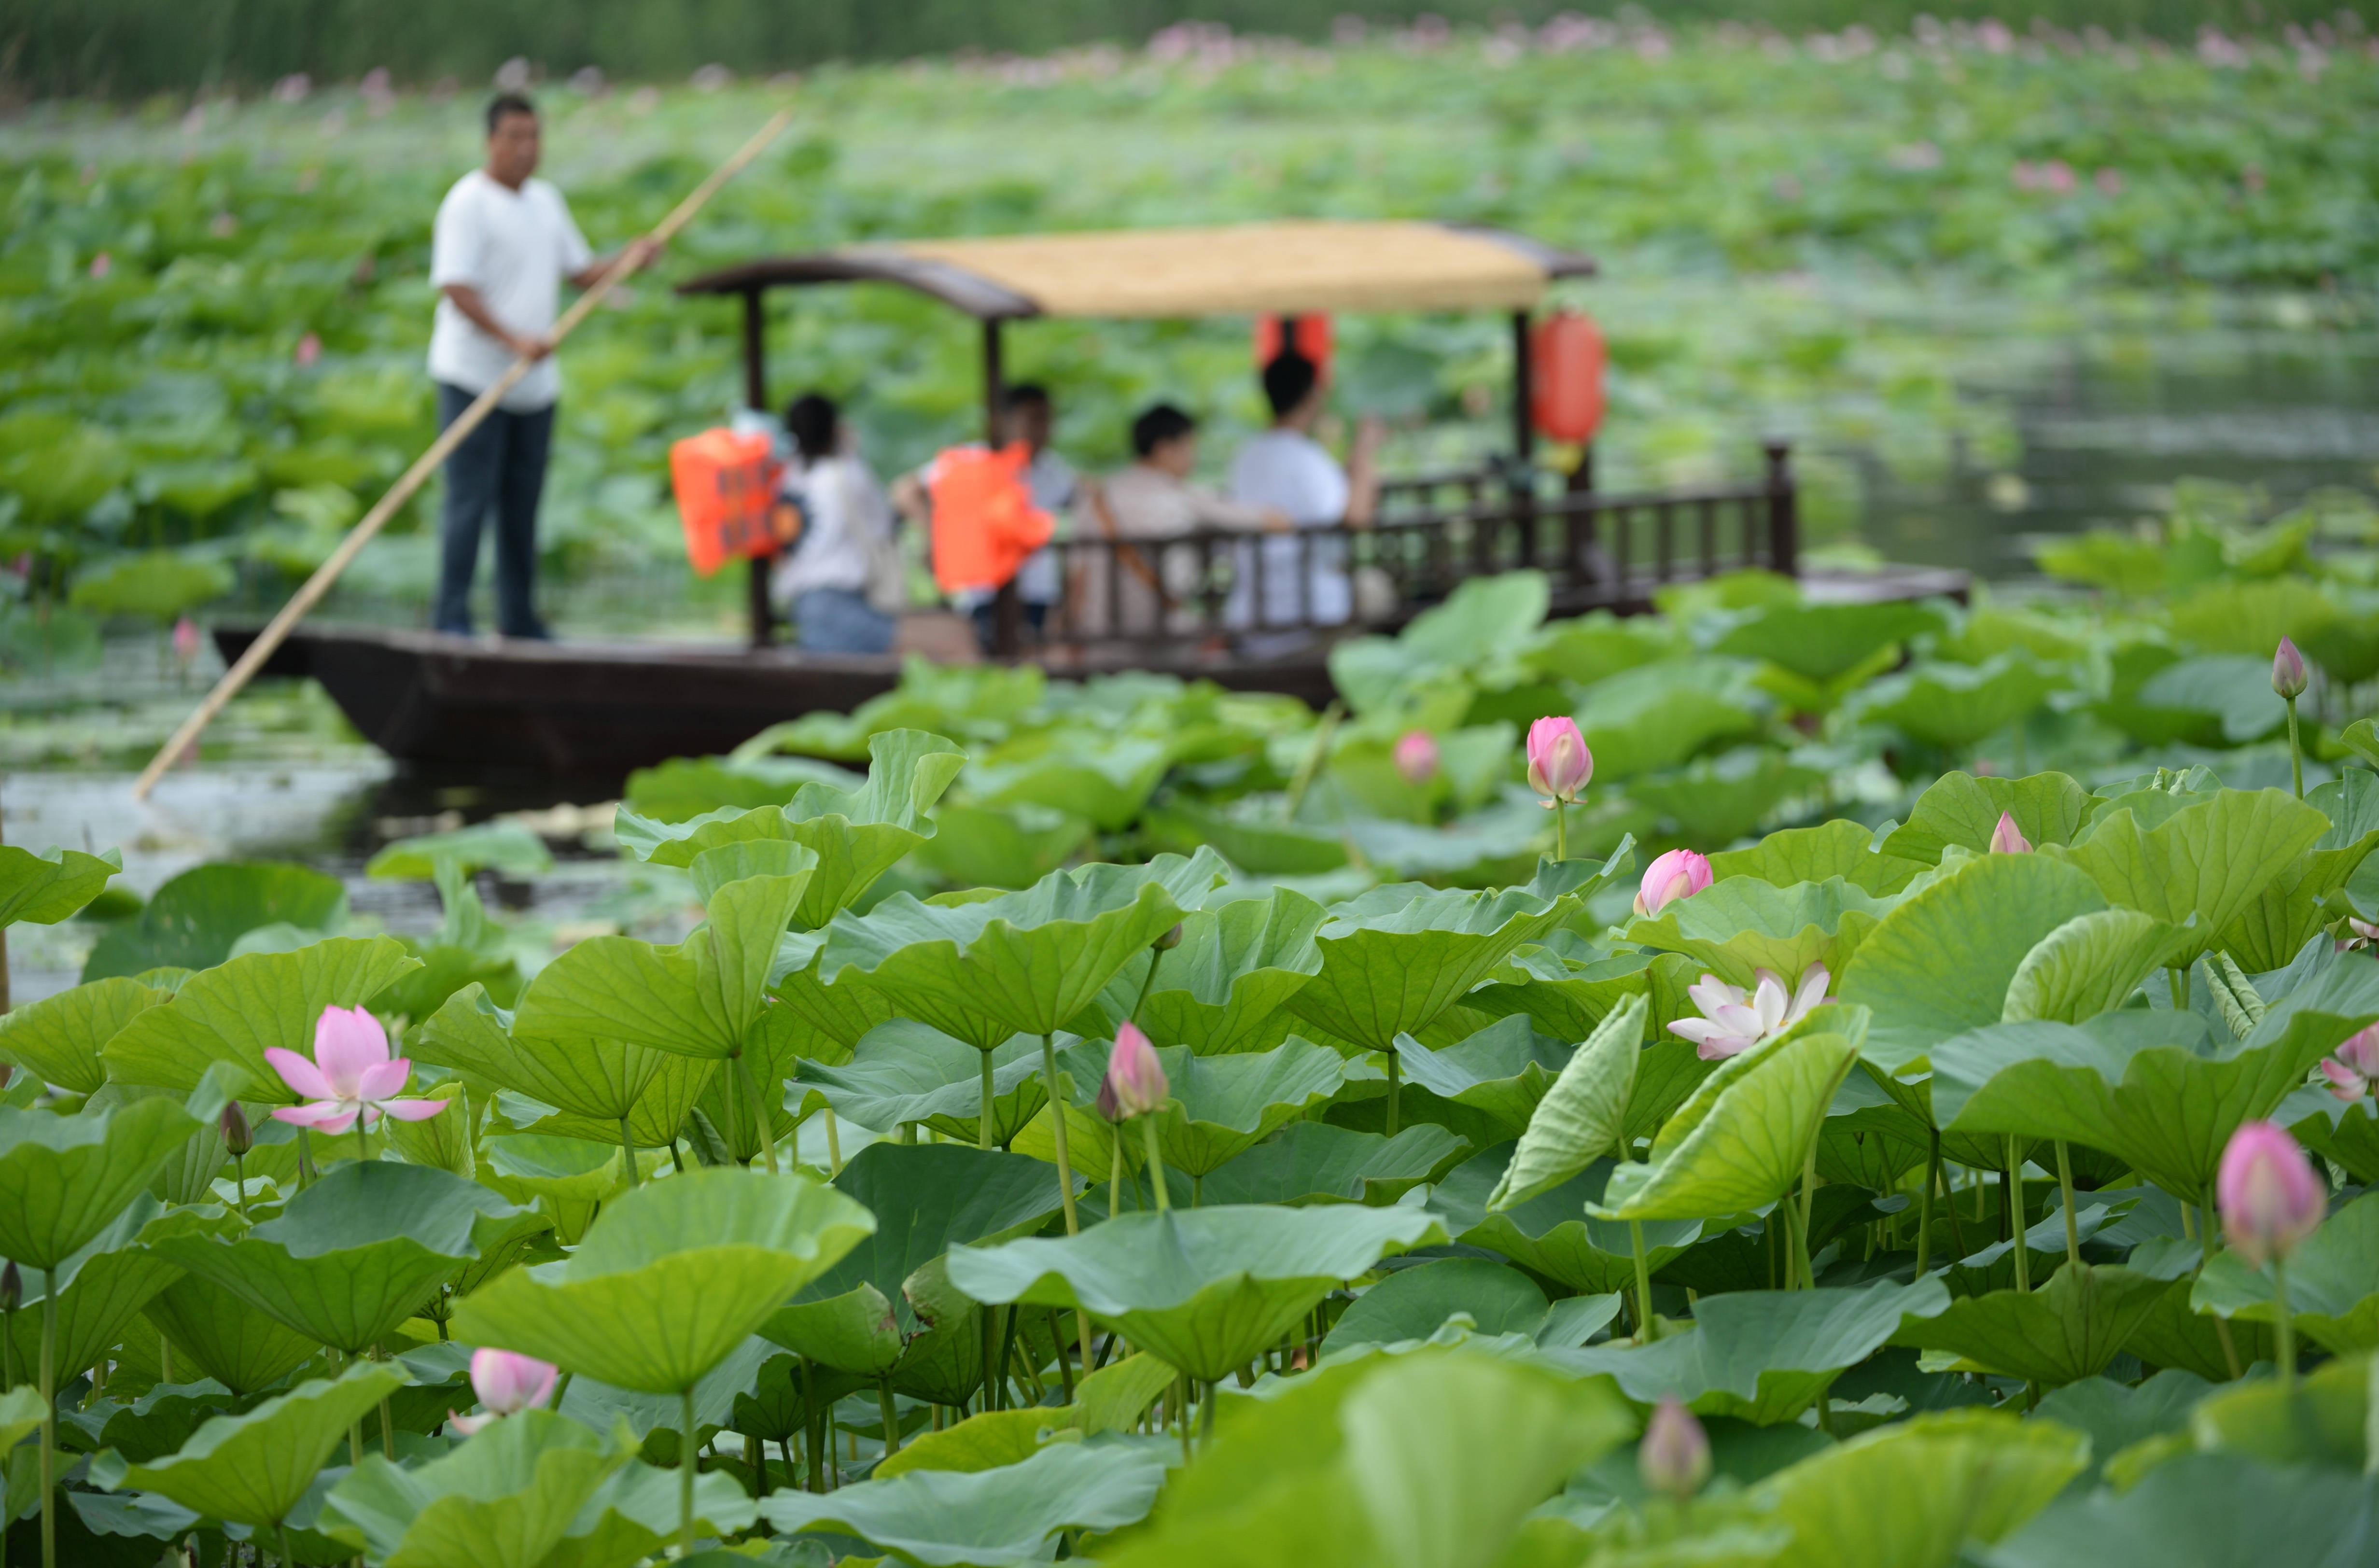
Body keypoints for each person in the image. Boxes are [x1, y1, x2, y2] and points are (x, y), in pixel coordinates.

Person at [428, 92, 656, 638]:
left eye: (534, 137)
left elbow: (579, 272)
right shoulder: (468, 203)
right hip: (474, 376)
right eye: (514, 138)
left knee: (522, 507)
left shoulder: (545, 202)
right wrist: (513, 340)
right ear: (490, 142)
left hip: (534, 387)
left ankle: (518, 619)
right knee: (469, 501)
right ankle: (452, 618)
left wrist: (628, 261)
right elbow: (455, 286)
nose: (527, 149)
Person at [892, 383, 1076, 652]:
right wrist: (933, 537)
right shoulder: (972, 460)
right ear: (1006, 419)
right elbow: (905, 492)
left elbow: (1088, 495)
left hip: (1038, 594)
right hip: (984, 593)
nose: (1043, 428)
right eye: (1034, 418)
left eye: (1047, 419)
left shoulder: (1053, 471)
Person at [1078, 404, 1286, 638]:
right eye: (1190, 446)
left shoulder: (1096, 500)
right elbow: (1274, 522)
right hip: (1160, 639)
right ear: (1165, 449)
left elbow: (1077, 579)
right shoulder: (1180, 498)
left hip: (1097, 636)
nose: (1193, 458)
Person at [1226, 350, 1385, 634]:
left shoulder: (1246, 456)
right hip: (1308, 608)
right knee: (1376, 589)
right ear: (1312, 396)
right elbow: (1356, 516)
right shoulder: (1304, 456)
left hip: (1252, 609)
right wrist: (1366, 450)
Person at [773, 392, 899, 655]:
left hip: (802, 605)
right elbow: (883, 523)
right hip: (843, 602)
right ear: (834, 429)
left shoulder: (783, 478)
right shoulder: (849, 475)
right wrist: (852, 452)